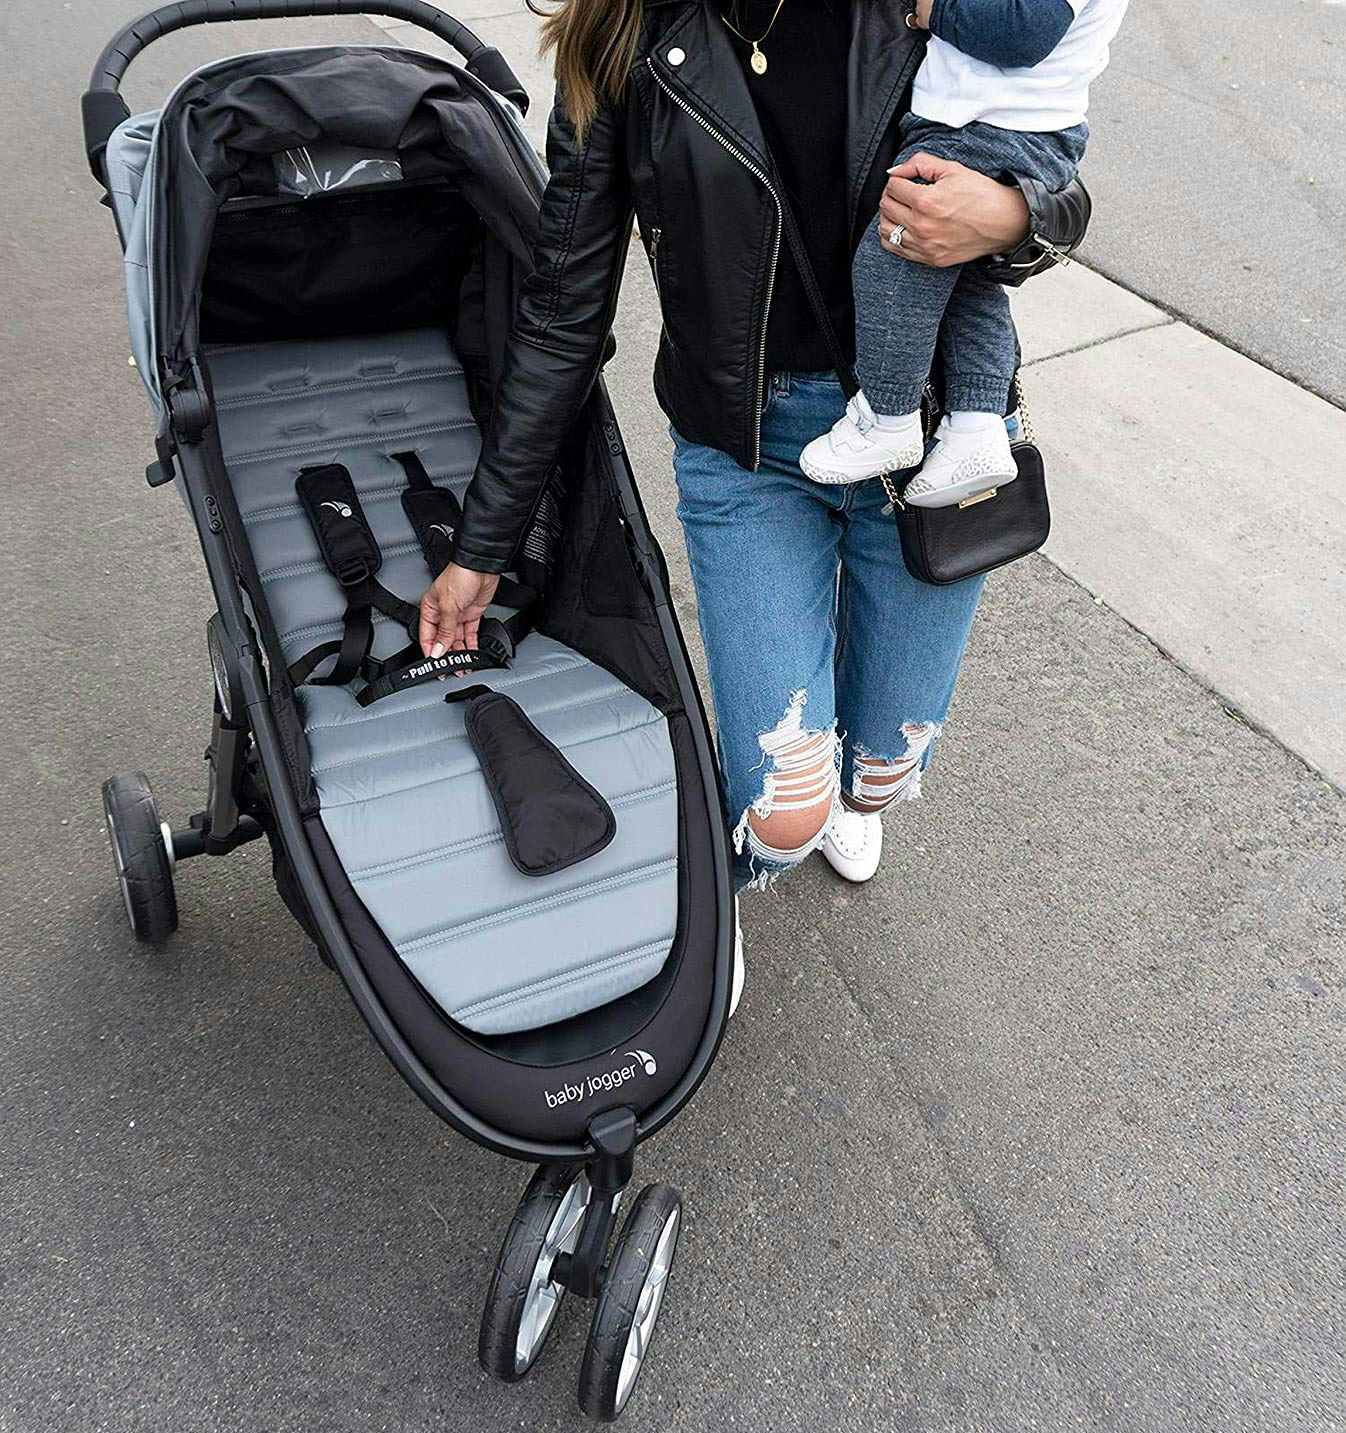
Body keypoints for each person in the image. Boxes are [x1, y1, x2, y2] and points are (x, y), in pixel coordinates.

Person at [418, 0, 1089, 918]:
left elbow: (1055, 151)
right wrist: (483, 544)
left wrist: (1013, 218)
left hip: (929, 447)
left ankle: (845, 793)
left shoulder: (921, 7)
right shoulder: (620, 36)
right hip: (748, 451)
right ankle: (729, 893)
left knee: (882, 773)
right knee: (781, 811)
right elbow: (561, 315)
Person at [800, 0, 1128, 506]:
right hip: (995, 123)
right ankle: (976, 428)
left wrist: (930, 9)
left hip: (996, 128)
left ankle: (887, 419)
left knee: (894, 251)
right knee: (968, 279)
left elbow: (1022, 33)